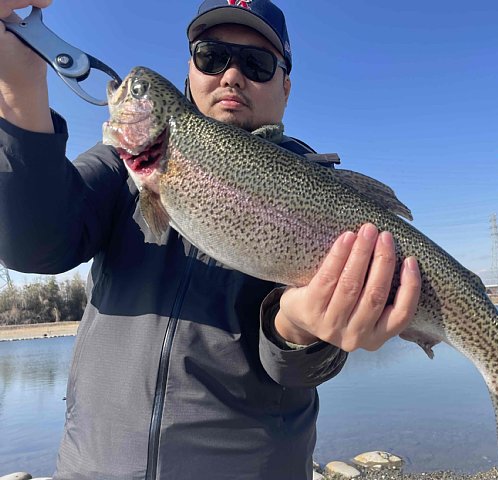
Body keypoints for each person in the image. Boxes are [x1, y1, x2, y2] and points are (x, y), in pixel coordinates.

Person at [0, 1, 422, 478]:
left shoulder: (318, 192)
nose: (232, 76)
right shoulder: (122, 164)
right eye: (211, 57)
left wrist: (299, 334)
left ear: (285, 87)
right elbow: (35, 245)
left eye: (257, 64)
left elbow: (298, 372)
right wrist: (20, 91)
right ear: (190, 71)